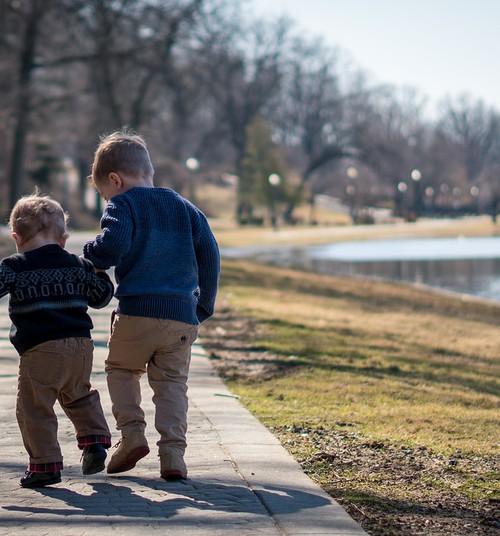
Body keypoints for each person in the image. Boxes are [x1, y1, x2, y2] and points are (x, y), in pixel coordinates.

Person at [83, 130, 220, 481]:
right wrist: (203, 305)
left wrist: (90, 253)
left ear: (116, 180)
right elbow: (210, 254)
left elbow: (111, 248)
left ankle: (131, 436)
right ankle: (173, 455)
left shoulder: (123, 204)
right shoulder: (184, 207)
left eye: (104, 194)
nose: (106, 199)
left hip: (137, 312)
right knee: (172, 383)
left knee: (121, 369)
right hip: (181, 317)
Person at [0, 194, 114, 488]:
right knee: (78, 395)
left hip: (41, 350)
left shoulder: (15, 265)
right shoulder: (78, 264)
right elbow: (101, 297)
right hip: (80, 347)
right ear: (62, 239)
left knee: (34, 408)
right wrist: (97, 269)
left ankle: (45, 465)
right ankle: (96, 440)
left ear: (16, 237)